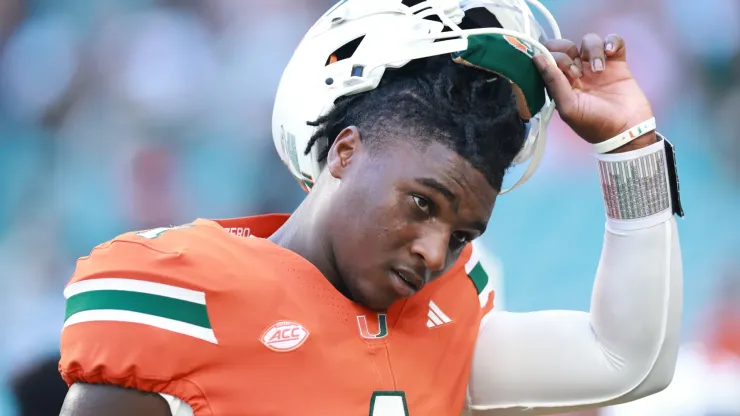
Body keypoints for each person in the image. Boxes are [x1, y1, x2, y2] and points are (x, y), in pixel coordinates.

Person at [58, 1, 685, 415]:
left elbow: (632, 363)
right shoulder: (182, 294)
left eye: (462, 234)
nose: (434, 251)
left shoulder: (444, 316)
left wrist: (631, 146)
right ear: (345, 152)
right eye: (421, 203)